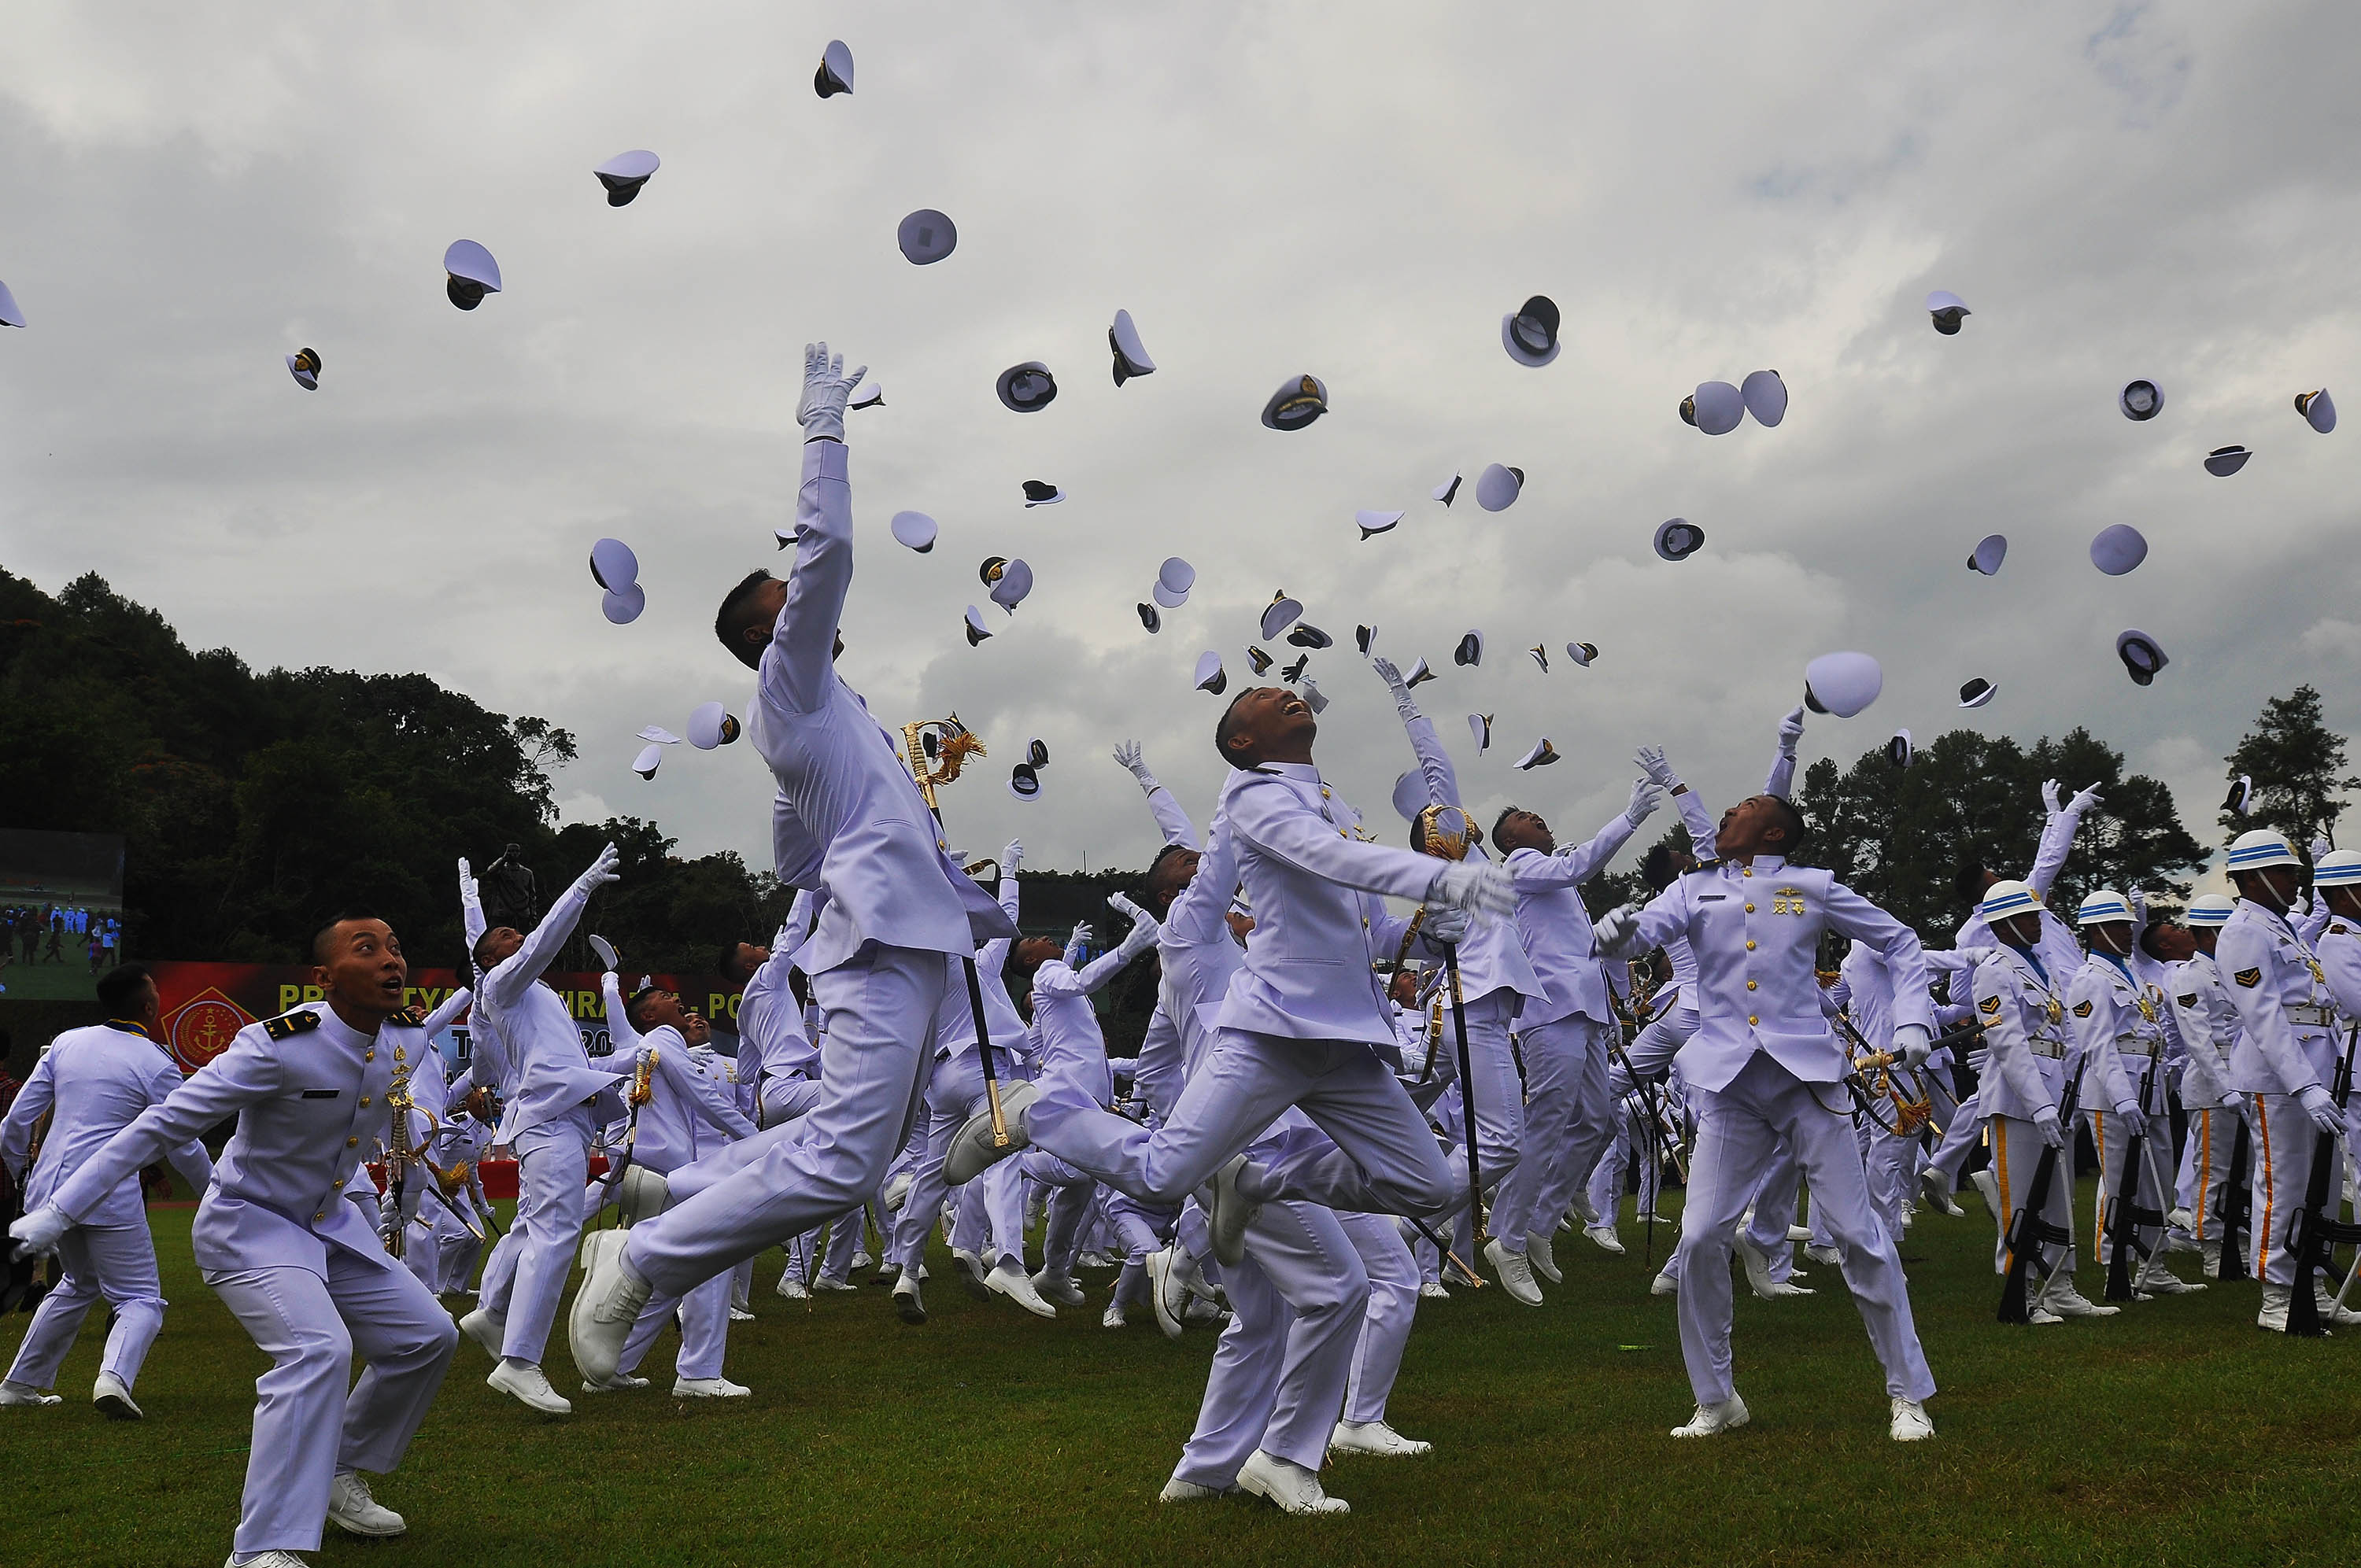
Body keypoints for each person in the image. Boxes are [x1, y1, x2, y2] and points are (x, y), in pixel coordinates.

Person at [569, 342, 1017, 1387]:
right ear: (771, 631)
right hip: (876, 946)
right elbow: (831, 554)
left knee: (852, 1150)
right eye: (790, 602)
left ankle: (663, 1205)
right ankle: (637, 1256)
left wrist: (815, 796)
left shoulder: (827, 713)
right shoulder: (793, 680)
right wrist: (824, 430)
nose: (812, 605)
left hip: (909, 939)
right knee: (848, 1163)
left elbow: (790, 859)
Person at [9, 917, 460, 1566]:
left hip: (330, 1223)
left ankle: (336, 1470)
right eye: (368, 950)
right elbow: (162, 1123)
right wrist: (58, 1210)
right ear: (323, 978)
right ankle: (262, 1549)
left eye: (396, 947)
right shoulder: (275, 1045)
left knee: (428, 1337)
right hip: (250, 1224)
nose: (392, 961)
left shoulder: (403, 1039)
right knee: (317, 1349)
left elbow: (431, 1041)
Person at [1596, 790, 1937, 1442]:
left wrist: (1916, 1015)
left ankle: (1907, 1391)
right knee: (1698, 1238)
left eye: (1744, 807)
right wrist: (1611, 936)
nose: (1727, 813)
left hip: (1806, 1079)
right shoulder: (1693, 889)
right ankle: (1716, 1396)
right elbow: (1636, 937)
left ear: (1776, 831)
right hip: (1728, 1083)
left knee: (1859, 1235)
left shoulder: (1812, 885)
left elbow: (1902, 940)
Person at [458, 843, 628, 1415]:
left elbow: (558, 1067)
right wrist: (581, 887)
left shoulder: (533, 996)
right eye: (504, 936)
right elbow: (538, 942)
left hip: (558, 1119)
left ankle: (492, 1313)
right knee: (555, 1234)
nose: (516, 936)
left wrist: (636, 1062)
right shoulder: (503, 984)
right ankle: (520, 1361)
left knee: (533, 1228)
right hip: (551, 1124)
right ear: (491, 957)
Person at [0, 964, 212, 1417]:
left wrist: (22, 1170)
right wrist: (215, 1189)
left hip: (48, 1189)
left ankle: (19, 1384)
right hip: (105, 1193)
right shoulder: (154, 1061)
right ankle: (113, 1379)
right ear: (149, 1007)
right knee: (140, 1298)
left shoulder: (66, 1042)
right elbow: (183, 1139)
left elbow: (16, 1122)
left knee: (77, 1284)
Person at [2215, 829, 2355, 1330]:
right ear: (2254, 878)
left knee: (2316, 1186)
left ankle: (2310, 1287)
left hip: (2314, 1070)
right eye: (2285, 870)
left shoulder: (2280, 928)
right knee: (2283, 1185)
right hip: (2280, 1078)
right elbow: (2264, 1015)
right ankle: (2276, 1296)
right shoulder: (2244, 931)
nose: (2296, 878)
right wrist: (2303, 1083)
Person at [2064, 891, 2201, 1298]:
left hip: (2151, 1086)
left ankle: (2154, 1263)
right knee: (2118, 1180)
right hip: (2114, 1092)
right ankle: (2115, 1266)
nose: (2129, 932)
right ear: (2099, 930)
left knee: (2156, 1177)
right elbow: (2098, 1044)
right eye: (2122, 926)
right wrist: (2123, 1098)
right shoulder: (2090, 979)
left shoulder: (2129, 974)